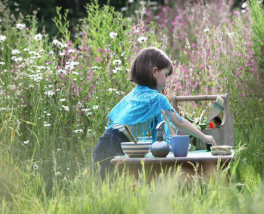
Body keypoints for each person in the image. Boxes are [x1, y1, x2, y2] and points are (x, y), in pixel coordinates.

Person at [93, 47, 217, 179]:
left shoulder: (135, 94)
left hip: (104, 143)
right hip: (114, 146)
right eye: (166, 75)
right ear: (155, 72)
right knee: (116, 190)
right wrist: (205, 137)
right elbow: (179, 122)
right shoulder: (157, 99)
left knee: (111, 192)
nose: (167, 81)